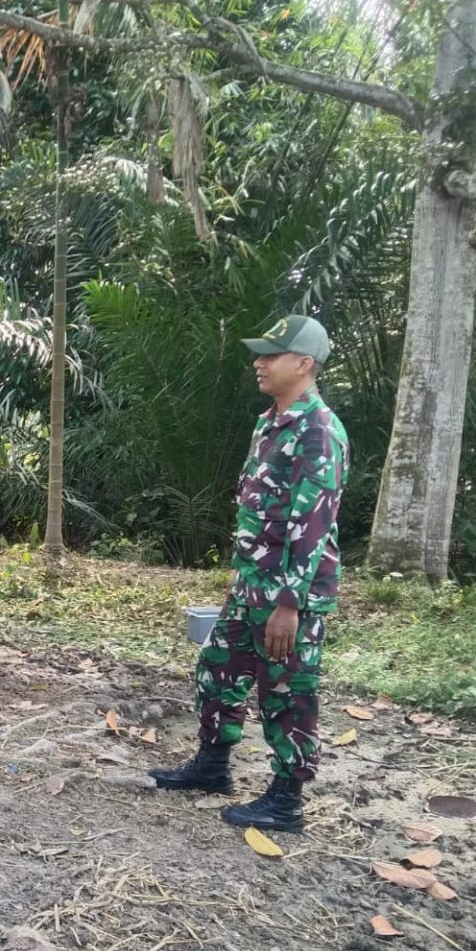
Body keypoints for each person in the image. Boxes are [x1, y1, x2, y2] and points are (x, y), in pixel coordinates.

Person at [148, 315, 350, 833]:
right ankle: (212, 766)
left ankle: (287, 801)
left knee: (287, 691)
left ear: (304, 364)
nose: (259, 363)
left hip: (289, 594)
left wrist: (289, 604)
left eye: (271, 355)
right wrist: (242, 577)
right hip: (251, 584)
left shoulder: (318, 432)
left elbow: (311, 525)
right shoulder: (269, 422)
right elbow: (258, 509)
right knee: (216, 670)